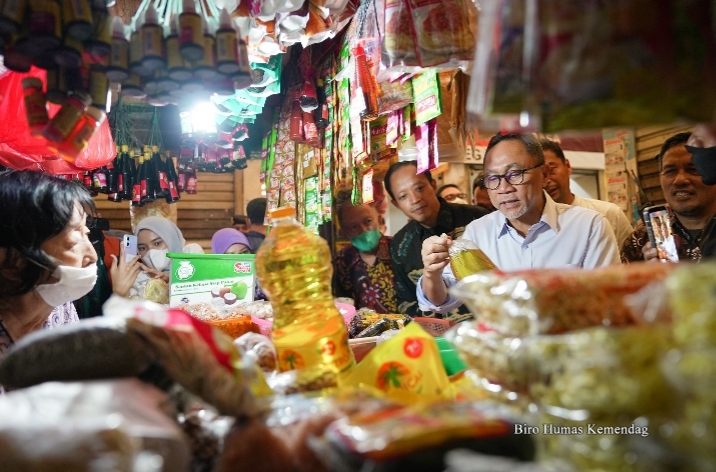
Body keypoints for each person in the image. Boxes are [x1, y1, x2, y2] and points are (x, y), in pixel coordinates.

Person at [418, 133, 620, 314]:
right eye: (493, 178)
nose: (504, 188)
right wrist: (432, 272)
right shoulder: (477, 233)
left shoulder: (588, 226)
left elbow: (607, 303)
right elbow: (442, 300)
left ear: (544, 174)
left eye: (515, 174)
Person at [0, 170, 98, 360]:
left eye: (86, 232)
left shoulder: (61, 310)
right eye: (74, 241)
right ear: (14, 263)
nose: (92, 256)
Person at [384, 161, 488, 318]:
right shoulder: (399, 244)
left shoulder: (477, 219)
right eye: (403, 196)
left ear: (432, 185)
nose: (415, 199)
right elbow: (406, 302)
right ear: (396, 204)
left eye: (419, 188)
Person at [622, 132, 716, 262]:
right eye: (670, 171)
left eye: (693, 169)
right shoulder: (640, 240)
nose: (680, 180)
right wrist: (649, 278)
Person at [540, 139, 633, 246]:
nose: (547, 181)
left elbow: (634, 260)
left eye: (551, 170)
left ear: (567, 166)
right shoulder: (531, 227)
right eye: (541, 175)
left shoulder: (608, 214)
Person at [110, 216, 202, 298]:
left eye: (157, 243)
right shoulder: (138, 277)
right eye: (142, 248)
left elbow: (203, 289)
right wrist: (119, 292)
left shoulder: (190, 254)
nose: (151, 252)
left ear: (171, 239)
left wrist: (171, 278)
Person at [332, 201, 398, 313]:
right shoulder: (341, 261)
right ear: (343, 233)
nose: (363, 229)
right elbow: (340, 305)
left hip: (408, 328)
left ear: (379, 220)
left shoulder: (400, 248)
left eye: (368, 221)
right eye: (354, 227)